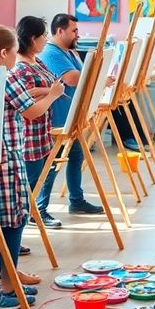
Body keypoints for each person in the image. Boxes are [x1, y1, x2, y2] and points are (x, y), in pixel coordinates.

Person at [0, 23, 59, 309]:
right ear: (4, 53)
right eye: (15, 53)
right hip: (3, 162)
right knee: (11, 224)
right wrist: (53, 94)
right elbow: (31, 112)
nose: (17, 58)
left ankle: (5, 288)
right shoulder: (4, 77)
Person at [35, 14, 104, 227]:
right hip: (56, 119)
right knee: (52, 164)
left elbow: (82, 75)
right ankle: (39, 209)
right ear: (60, 31)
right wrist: (95, 72)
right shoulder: (51, 52)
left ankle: (76, 200)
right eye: (74, 30)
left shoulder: (69, 52)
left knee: (76, 155)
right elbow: (73, 78)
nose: (78, 34)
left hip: (71, 117)